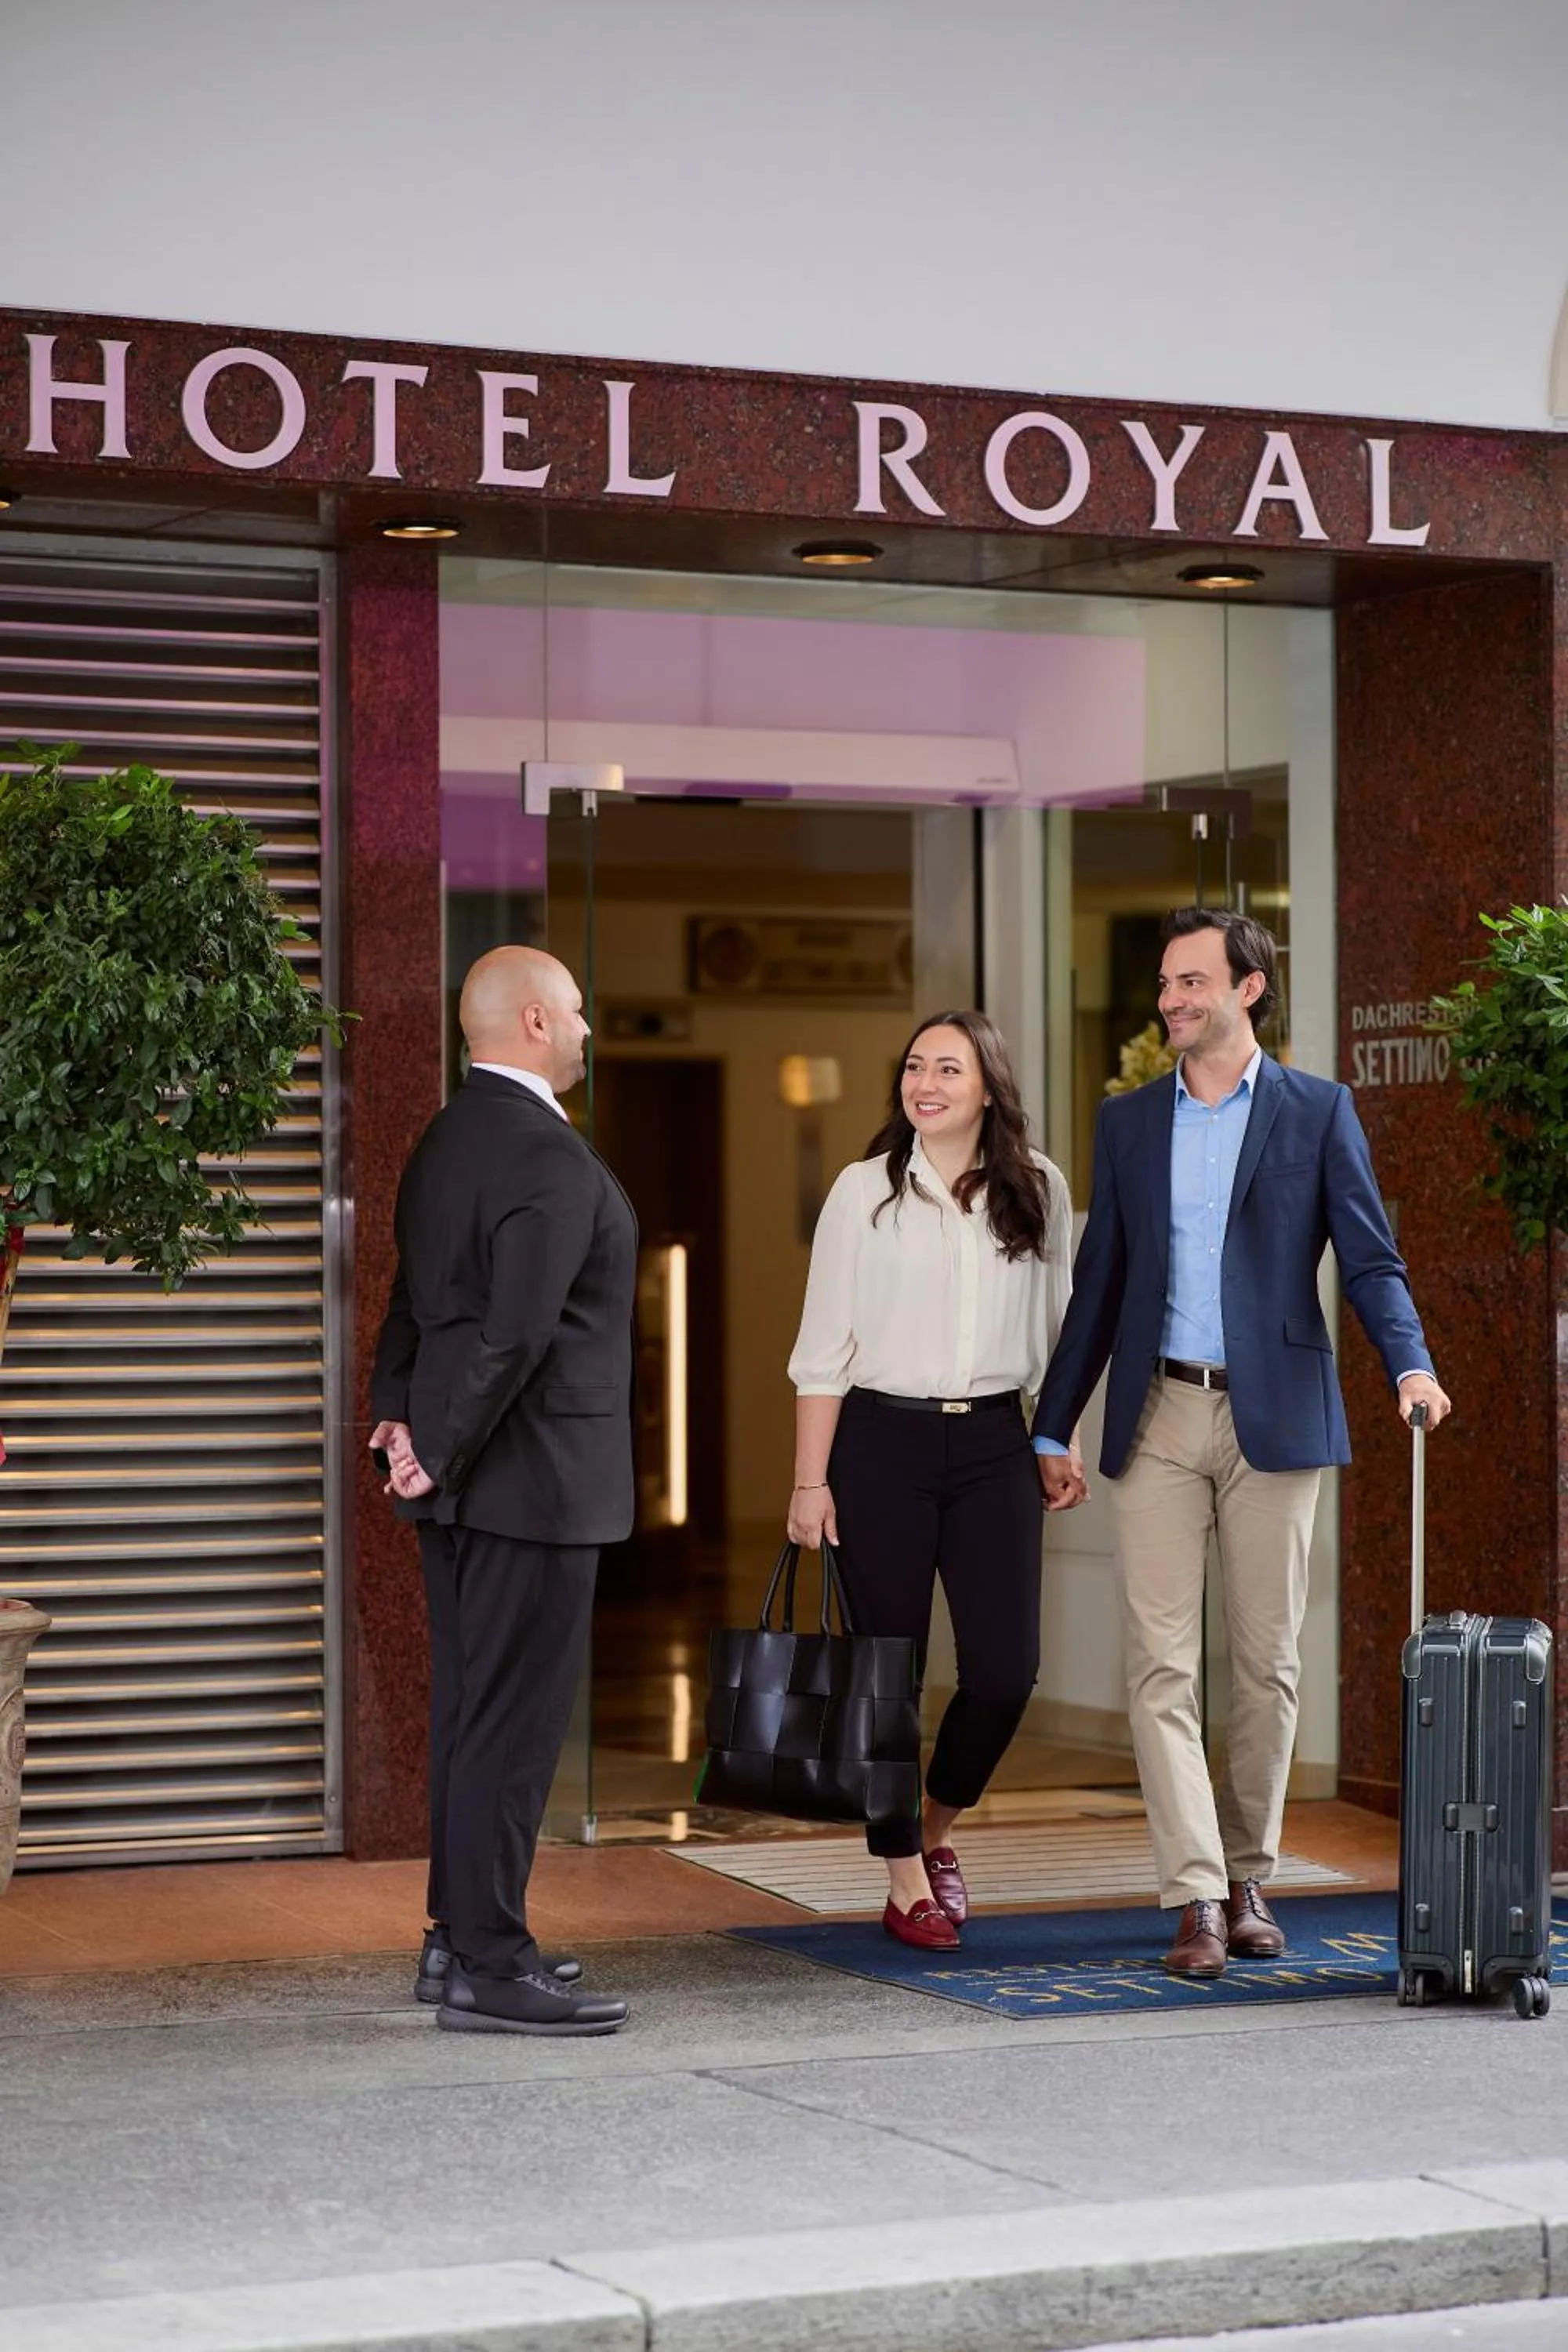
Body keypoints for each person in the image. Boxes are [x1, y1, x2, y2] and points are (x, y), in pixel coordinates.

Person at [1033, 908, 1450, 1979]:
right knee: (1160, 1663)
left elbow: (1370, 1259)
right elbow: (1101, 1284)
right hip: (1158, 1413)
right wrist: (1052, 1419)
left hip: (1276, 1415)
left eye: (1190, 983)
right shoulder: (1128, 1122)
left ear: (1248, 988)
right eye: (1165, 985)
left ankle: (1250, 1872)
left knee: (1266, 1664)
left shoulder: (1319, 1112)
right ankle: (1196, 1898)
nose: (1172, 1000)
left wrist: (1410, 1363)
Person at [368, 945, 636, 2036]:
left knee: (472, 1714)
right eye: (575, 1011)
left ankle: (455, 1939)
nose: (585, 1028)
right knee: (514, 1728)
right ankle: (489, 1959)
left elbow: (413, 1300)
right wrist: (442, 1444)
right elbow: (516, 1333)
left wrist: (399, 1417)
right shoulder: (549, 1156)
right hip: (530, 1486)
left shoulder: (443, 1139)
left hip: (464, 1481)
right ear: (532, 1021)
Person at [787, 1010, 1081, 1952]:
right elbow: (821, 1352)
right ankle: (903, 1879)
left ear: (987, 1087)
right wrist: (807, 1482)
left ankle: (934, 1828)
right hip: (879, 1446)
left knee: (1004, 1672)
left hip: (998, 1443)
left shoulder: (1037, 1189)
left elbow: (1058, 1330)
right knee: (887, 1675)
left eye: (947, 1069)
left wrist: (1055, 1436)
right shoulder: (860, 1191)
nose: (925, 1082)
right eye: (915, 1066)